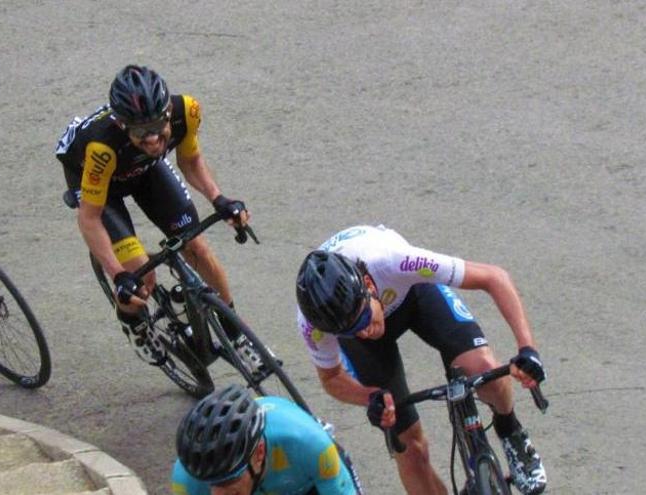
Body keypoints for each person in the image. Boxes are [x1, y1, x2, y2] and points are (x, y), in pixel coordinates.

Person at [295, 225, 548, 495]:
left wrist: (527, 349)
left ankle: (510, 429)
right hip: (366, 340)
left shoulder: (393, 261)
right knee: (408, 447)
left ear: (368, 286)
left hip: (412, 295)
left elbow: (494, 278)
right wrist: (369, 397)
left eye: (363, 319)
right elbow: (332, 378)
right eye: (350, 331)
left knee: (482, 368)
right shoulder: (313, 325)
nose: (364, 331)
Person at [54, 64, 262, 372]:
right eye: (140, 132)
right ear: (122, 125)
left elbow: (191, 162)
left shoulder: (187, 111)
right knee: (140, 277)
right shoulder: (102, 148)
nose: (152, 139)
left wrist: (220, 200)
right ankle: (133, 324)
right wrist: (117, 274)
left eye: (156, 126)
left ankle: (236, 333)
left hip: (143, 170)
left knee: (198, 249)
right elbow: (90, 219)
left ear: (167, 113)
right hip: (102, 185)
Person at [172, 384, 359, 494]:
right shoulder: (185, 478)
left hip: (308, 485)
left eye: (232, 486)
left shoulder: (309, 445)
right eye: (214, 485)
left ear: (259, 452)